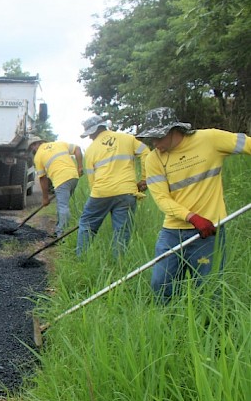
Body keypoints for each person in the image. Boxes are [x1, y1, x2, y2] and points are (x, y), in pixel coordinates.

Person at [136, 107, 250, 302]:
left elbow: (247, 144)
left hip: (208, 232)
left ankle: (209, 327)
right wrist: (192, 217)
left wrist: (201, 220)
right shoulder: (154, 159)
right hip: (172, 232)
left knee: (209, 288)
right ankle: (168, 325)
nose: (154, 143)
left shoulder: (210, 139)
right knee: (161, 284)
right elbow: (162, 199)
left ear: (173, 130)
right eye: (150, 138)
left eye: (158, 137)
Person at [76, 115, 149, 258]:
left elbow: (92, 178)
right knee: (122, 231)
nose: (90, 138)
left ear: (94, 131)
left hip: (101, 192)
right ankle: (119, 266)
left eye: (90, 134)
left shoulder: (91, 150)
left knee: (86, 225)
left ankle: (81, 259)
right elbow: (146, 152)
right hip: (127, 192)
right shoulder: (127, 139)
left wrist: (98, 198)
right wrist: (145, 179)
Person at [28, 135, 83, 237]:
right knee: (62, 204)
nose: (32, 149)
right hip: (74, 176)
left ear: (36, 144)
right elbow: (78, 149)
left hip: (61, 179)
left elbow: (42, 178)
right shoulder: (59, 144)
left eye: (32, 147)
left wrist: (45, 198)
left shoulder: (38, 156)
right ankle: (59, 229)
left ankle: (62, 235)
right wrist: (80, 167)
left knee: (63, 206)